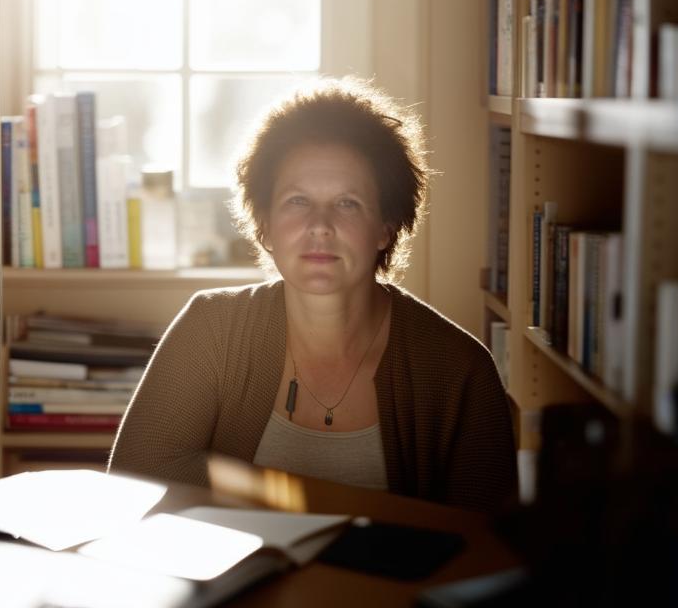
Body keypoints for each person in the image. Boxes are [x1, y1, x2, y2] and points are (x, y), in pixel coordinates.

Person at [108, 77, 517, 513]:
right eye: (298, 201)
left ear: (386, 226)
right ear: (263, 224)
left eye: (347, 204)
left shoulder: (459, 369)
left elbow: (488, 549)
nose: (320, 225)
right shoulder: (211, 327)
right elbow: (136, 481)